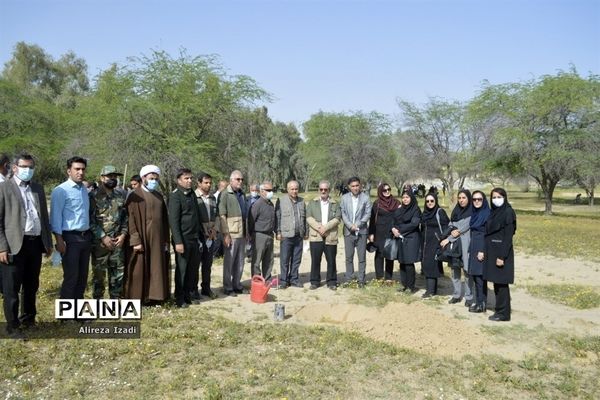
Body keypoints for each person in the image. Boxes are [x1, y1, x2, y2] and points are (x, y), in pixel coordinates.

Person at [0, 154, 52, 337]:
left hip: (34, 243)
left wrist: (47, 242)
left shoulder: (37, 188)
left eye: (31, 167)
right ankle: (12, 326)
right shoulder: (4, 188)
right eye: (24, 166)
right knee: (11, 288)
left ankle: (28, 319)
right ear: (14, 167)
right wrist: (2, 247)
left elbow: (44, 218)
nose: (28, 170)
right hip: (14, 244)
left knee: (31, 285)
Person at [124, 165, 170, 303]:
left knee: (156, 267)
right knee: (139, 268)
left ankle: (155, 296)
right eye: (151, 178)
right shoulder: (134, 196)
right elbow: (130, 220)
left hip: (157, 239)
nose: (154, 181)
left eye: (156, 178)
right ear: (143, 178)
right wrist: (136, 240)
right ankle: (139, 298)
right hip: (141, 238)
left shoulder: (159, 196)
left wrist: (166, 240)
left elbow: (164, 220)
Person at [50, 156, 93, 301]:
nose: (80, 172)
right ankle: (66, 314)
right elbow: (55, 217)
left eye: (83, 169)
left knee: (82, 277)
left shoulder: (84, 190)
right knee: (71, 277)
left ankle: (79, 312)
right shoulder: (61, 190)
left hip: (85, 237)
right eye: (77, 169)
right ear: (69, 171)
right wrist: (59, 240)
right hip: (70, 238)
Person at [90, 165, 128, 300]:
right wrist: (103, 237)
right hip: (100, 244)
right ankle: (98, 303)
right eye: (109, 176)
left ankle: (115, 302)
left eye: (114, 176)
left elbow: (125, 218)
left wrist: (123, 234)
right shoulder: (93, 196)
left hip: (118, 242)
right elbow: (90, 220)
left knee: (117, 274)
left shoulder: (121, 195)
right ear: (102, 178)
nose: (113, 179)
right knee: (99, 276)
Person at [168, 168, 204, 308]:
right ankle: (179, 298)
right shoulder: (176, 196)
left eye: (190, 178)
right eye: (186, 178)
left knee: (192, 269)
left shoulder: (192, 194)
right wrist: (178, 242)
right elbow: (174, 221)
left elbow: (196, 216)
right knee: (182, 270)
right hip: (182, 239)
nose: (189, 181)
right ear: (179, 180)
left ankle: (188, 295)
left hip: (194, 238)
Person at [484, 188, 516, 322]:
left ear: (505, 197)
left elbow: (508, 237)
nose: (496, 200)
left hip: (502, 253)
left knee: (502, 284)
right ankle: (499, 310)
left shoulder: (508, 212)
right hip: (493, 251)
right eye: (494, 197)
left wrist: (501, 256)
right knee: (496, 282)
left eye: (499, 197)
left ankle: (504, 313)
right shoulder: (494, 212)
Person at [306, 180, 341, 290]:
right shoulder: (312, 203)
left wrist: (326, 227)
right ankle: (315, 281)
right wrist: (319, 227)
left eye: (325, 189)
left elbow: (337, 218)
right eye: (321, 189)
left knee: (331, 260)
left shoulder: (335, 203)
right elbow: (309, 217)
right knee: (315, 260)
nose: (323, 191)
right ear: (318, 190)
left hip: (330, 235)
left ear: (329, 190)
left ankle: (332, 281)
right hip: (316, 236)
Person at [441, 189, 474, 305]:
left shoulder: (472, 212)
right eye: (459, 198)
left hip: (466, 246)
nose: (461, 200)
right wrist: (452, 233)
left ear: (469, 198)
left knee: (467, 272)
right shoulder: (456, 212)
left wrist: (451, 236)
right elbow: (451, 226)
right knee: (455, 271)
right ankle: (456, 295)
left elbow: (463, 227)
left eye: (464, 198)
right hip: (455, 247)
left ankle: (469, 297)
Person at [218, 170, 248, 296]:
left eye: (242, 179)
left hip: (242, 233)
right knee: (229, 262)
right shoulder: (225, 194)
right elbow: (222, 215)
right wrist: (226, 234)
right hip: (231, 233)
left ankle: (237, 284)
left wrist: (248, 232)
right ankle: (228, 287)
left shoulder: (242, 194)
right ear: (231, 180)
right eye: (237, 179)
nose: (240, 181)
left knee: (240, 262)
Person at [340, 176, 372, 288]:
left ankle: (361, 280)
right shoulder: (344, 198)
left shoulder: (366, 198)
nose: (355, 188)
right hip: (348, 232)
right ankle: (349, 279)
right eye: (353, 186)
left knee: (361, 257)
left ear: (360, 185)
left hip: (362, 231)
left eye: (357, 185)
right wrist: (350, 225)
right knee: (349, 257)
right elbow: (343, 213)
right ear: (349, 187)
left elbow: (368, 213)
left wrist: (357, 225)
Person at [276, 180, 307, 288]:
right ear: (287, 189)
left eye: (296, 189)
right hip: (286, 235)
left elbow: (305, 218)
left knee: (296, 259)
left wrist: (305, 232)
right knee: (285, 259)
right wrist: (278, 232)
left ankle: (294, 279)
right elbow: (278, 217)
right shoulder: (281, 200)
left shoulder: (302, 201)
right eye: (292, 189)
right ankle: (284, 280)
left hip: (299, 235)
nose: (294, 191)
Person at [391, 190, 422, 293]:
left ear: (411, 198)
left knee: (409, 263)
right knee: (402, 262)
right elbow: (394, 221)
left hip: (411, 239)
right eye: (403, 197)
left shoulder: (416, 209)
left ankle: (411, 286)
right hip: (401, 239)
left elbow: (414, 224)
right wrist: (393, 229)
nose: (405, 199)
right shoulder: (400, 210)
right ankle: (404, 285)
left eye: (407, 197)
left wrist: (399, 229)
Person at [420, 193, 449, 298]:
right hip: (425, 243)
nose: (429, 203)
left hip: (435, 242)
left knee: (431, 265)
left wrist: (443, 239)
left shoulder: (440, 212)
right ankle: (433, 290)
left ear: (436, 201)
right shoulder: (425, 213)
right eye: (427, 201)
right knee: (429, 265)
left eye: (432, 201)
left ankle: (430, 291)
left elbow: (447, 226)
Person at [368, 183, 400, 281]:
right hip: (379, 232)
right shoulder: (377, 203)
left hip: (391, 231)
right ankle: (379, 277)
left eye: (388, 190)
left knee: (390, 254)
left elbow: (400, 218)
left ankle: (389, 277)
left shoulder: (396, 203)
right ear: (380, 191)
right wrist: (371, 233)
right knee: (379, 254)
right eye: (384, 190)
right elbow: (372, 219)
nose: (387, 192)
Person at [194, 172, 218, 299]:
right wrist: (201, 231)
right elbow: (194, 218)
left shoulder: (213, 198)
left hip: (210, 236)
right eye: (206, 182)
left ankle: (206, 288)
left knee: (207, 265)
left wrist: (215, 230)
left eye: (210, 183)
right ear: (198, 183)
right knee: (195, 264)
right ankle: (194, 290)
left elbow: (216, 216)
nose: (208, 185)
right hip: (198, 236)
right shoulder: (194, 197)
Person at [467, 190, 491, 313]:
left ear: (484, 200)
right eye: (474, 199)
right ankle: (479, 302)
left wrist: (482, 250)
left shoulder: (487, 214)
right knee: (476, 277)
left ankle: (481, 304)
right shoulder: (475, 213)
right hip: (474, 246)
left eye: (479, 199)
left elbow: (488, 234)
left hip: (481, 247)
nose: (476, 202)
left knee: (480, 277)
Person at [247, 181, 276, 281]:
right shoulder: (257, 204)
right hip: (259, 235)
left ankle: (267, 279)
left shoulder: (271, 204)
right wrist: (251, 234)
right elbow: (251, 221)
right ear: (262, 191)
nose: (270, 192)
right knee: (257, 260)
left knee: (269, 259)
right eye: (268, 190)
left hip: (270, 235)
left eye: (272, 190)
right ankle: (256, 281)